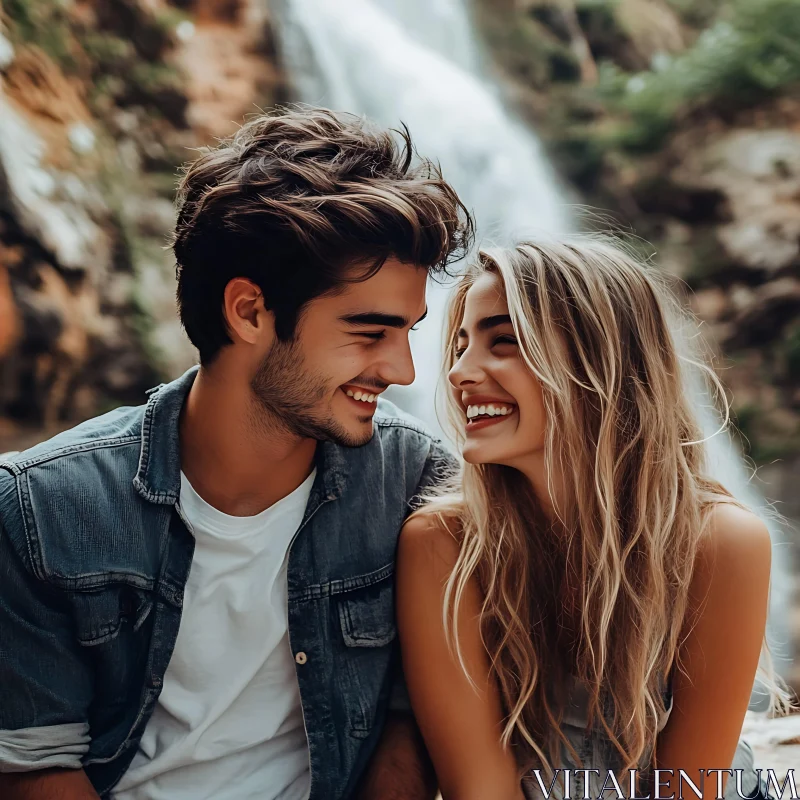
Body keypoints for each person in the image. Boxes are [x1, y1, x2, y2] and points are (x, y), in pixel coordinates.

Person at [0, 107, 473, 800]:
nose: (403, 370)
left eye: (407, 332)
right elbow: (34, 765)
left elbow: (412, 724)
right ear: (248, 311)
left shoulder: (416, 482)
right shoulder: (39, 510)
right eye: (369, 331)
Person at [396, 237, 794, 800]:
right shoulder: (444, 545)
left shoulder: (720, 541)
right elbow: (478, 787)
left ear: (599, 361)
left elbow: (688, 788)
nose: (460, 372)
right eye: (459, 346)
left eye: (503, 342)